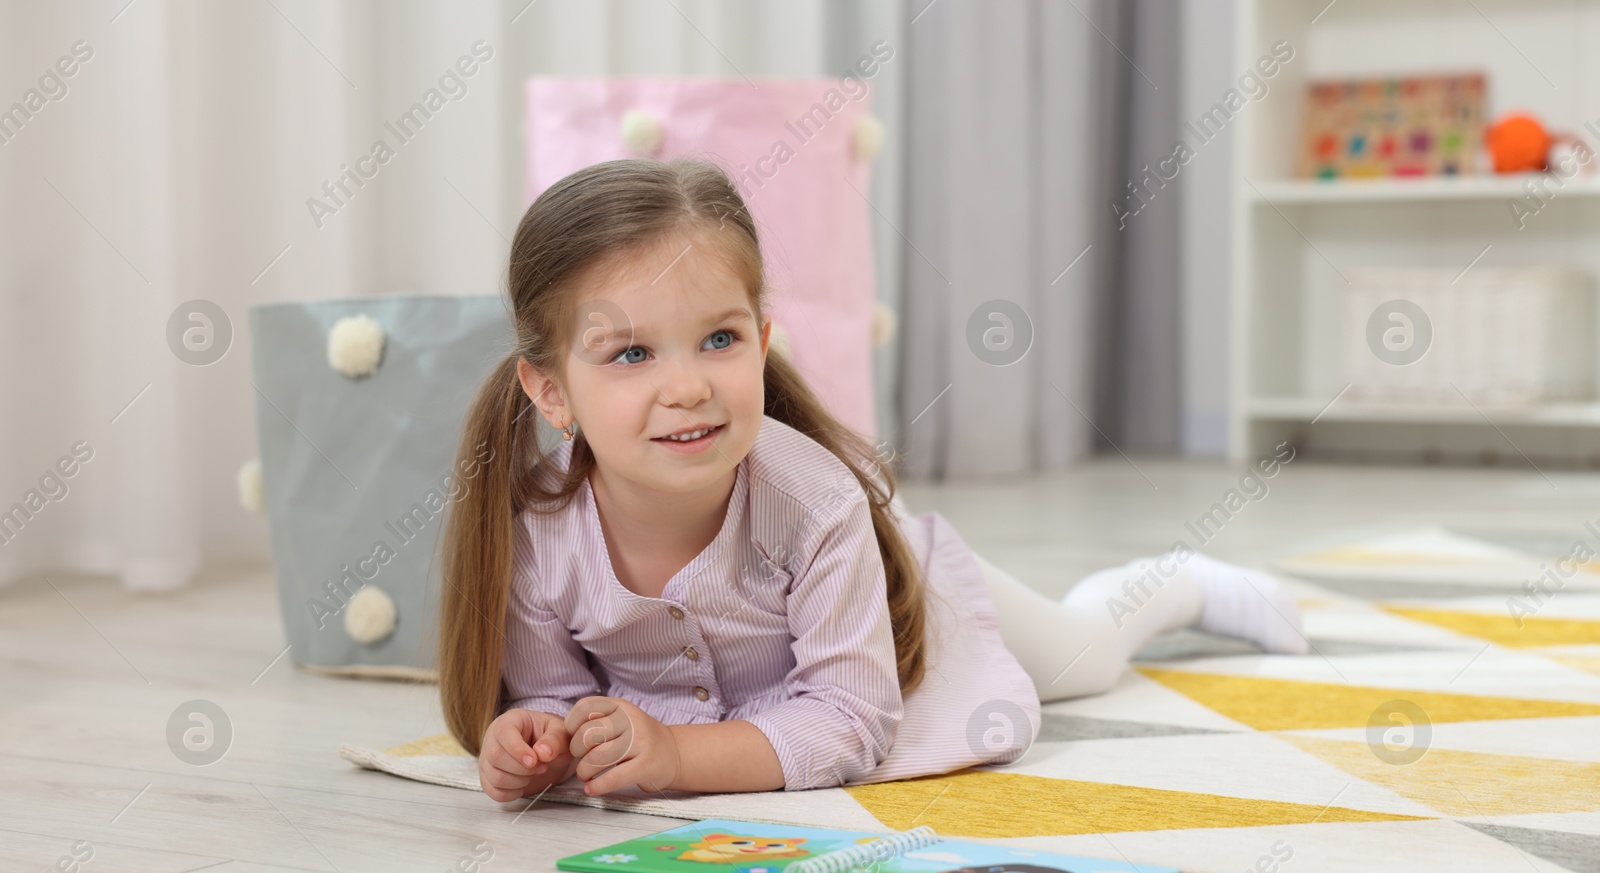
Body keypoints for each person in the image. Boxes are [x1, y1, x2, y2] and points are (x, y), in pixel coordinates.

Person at [437, 157, 1307, 803]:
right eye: (630, 353)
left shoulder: (816, 502)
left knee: (1084, 652)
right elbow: (555, 690)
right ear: (552, 392)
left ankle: (1180, 585)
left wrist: (677, 759)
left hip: (902, 608)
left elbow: (850, 723)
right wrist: (538, 737)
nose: (689, 385)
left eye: (720, 339)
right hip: (788, 662)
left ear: (761, 336)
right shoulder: (538, 530)